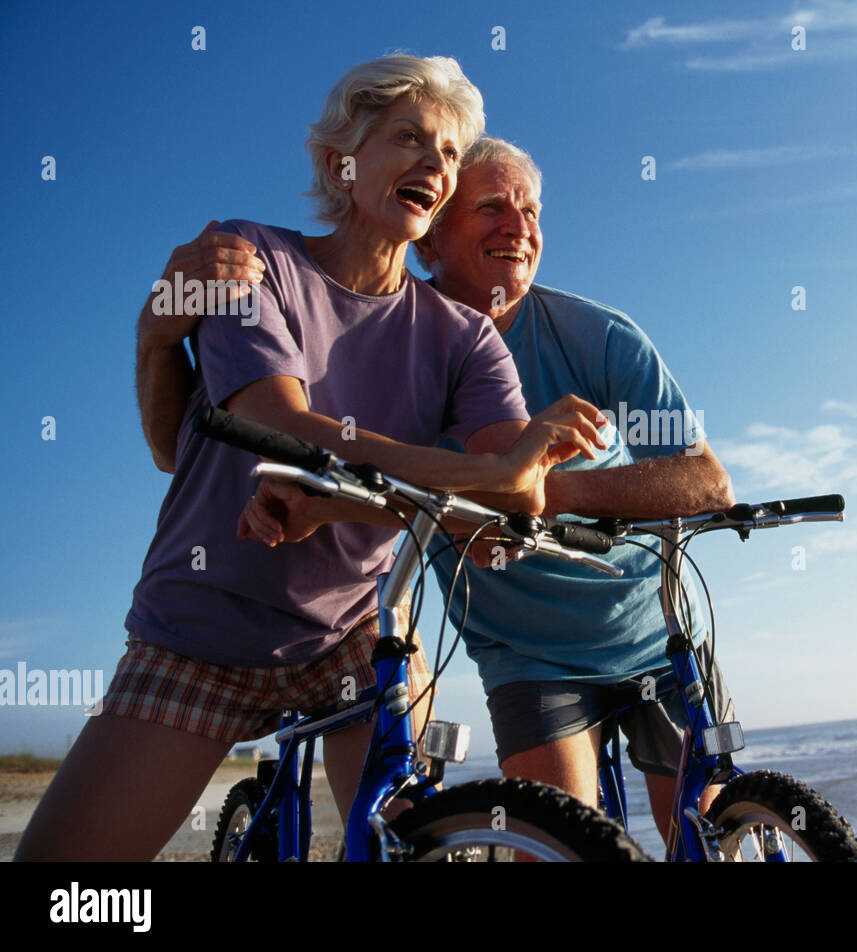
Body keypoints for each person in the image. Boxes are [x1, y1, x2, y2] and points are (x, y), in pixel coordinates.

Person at [16, 55, 604, 862]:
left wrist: (502, 481)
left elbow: (514, 495)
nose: (435, 163)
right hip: (200, 630)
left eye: (448, 152)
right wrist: (484, 475)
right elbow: (279, 428)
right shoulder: (248, 259)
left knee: (402, 844)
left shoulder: (463, 336)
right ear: (341, 163)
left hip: (352, 634)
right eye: (409, 138)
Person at [139, 135, 736, 846]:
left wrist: (540, 490)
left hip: (653, 628)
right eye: (490, 207)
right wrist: (319, 498)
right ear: (429, 240)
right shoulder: (409, 343)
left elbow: (707, 481)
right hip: (527, 656)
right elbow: (364, 464)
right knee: (557, 844)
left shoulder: (599, 337)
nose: (520, 227)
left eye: (532, 211)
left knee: (706, 838)